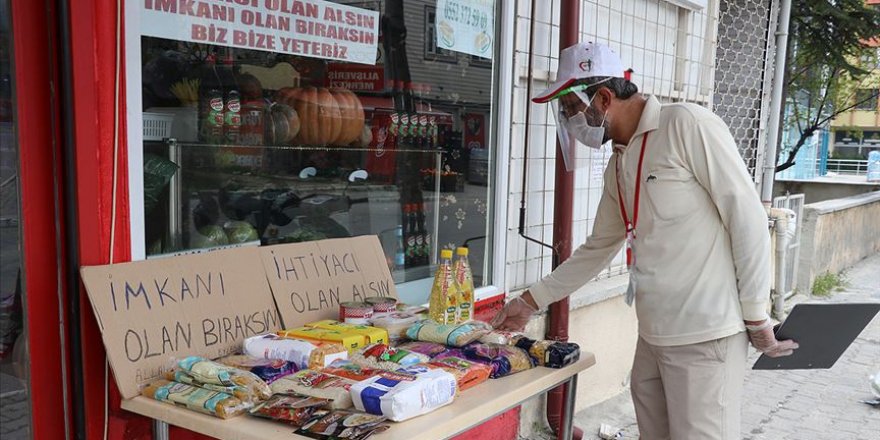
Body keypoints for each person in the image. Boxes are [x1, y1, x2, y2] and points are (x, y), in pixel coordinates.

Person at [491, 42, 798, 440]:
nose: (569, 121)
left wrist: (756, 315)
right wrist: (529, 301)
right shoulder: (619, 160)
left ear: (603, 97)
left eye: (570, 109)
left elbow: (748, 217)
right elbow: (598, 248)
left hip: (706, 337)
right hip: (652, 336)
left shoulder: (687, 125)